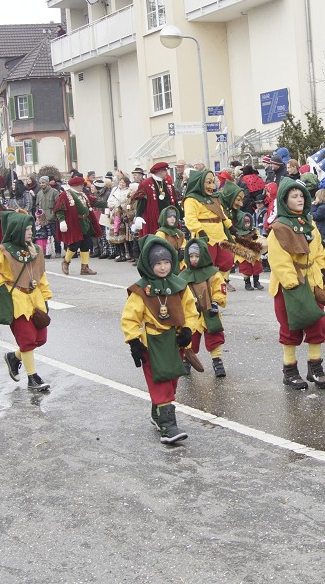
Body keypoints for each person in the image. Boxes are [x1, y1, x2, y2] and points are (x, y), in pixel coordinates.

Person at [121, 237, 201, 445]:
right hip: (153, 342)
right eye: (158, 263)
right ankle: (168, 425)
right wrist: (134, 341)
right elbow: (130, 317)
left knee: (172, 380)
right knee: (161, 381)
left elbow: (191, 311)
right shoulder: (141, 291)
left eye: (166, 262)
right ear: (149, 265)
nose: (163, 267)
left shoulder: (179, 286)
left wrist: (187, 329)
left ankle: (158, 413)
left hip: (174, 341)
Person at [267, 178, 325, 391]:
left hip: (311, 282)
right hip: (289, 286)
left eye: (301, 195)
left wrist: (320, 277)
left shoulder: (310, 223)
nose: (299, 199)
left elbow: (319, 252)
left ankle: (315, 367)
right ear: (284, 200)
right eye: (294, 196)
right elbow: (277, 259)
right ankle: (290, 370)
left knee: (317, 325)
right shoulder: (279, 227)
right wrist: (293, 285)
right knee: (290, 329)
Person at [0, 212, 53, 391]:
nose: (30, 232)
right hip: (17, 300)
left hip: (35, 298)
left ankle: (14, 357)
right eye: (26, 229)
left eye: (30, 228)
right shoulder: (4, 251)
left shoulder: (36, 250)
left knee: (40, 339)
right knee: (28, 339)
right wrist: (3, 286)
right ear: (16, 230)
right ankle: (32, 378)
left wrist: (45, 297)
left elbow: (41, 275)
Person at [180, 240, 227, 377]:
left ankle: (217, 361)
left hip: (209, 311)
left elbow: (219, 288)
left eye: (197, 256)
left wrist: (216, 302)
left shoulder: (213, 274)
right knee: (190, 337)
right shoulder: (183, 276)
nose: (194, 259)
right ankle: (187, 360)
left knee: (214, 337)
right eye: (191, 256)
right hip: (191, 313)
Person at [54, 175, 100, 276]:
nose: (82, 187)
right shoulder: (65, 194)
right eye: (80, 185)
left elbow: (94, 202)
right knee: (75, 244)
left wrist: (108, 204)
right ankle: (66, 262)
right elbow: (59, 209)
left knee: (86, 244)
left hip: (85, 222)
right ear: (75, 185)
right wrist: (62, 221)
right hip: (74, 222)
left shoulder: (82, 194)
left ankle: (84, 267)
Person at [132, 162, 177, 240]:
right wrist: (138, 216)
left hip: (168, 218)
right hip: (153, 218)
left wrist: (182, 215)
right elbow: (141, 201)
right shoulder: (145, 184)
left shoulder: (168, 184)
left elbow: (174, 202)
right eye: (165, 170)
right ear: (160, 171)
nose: (167, 173)